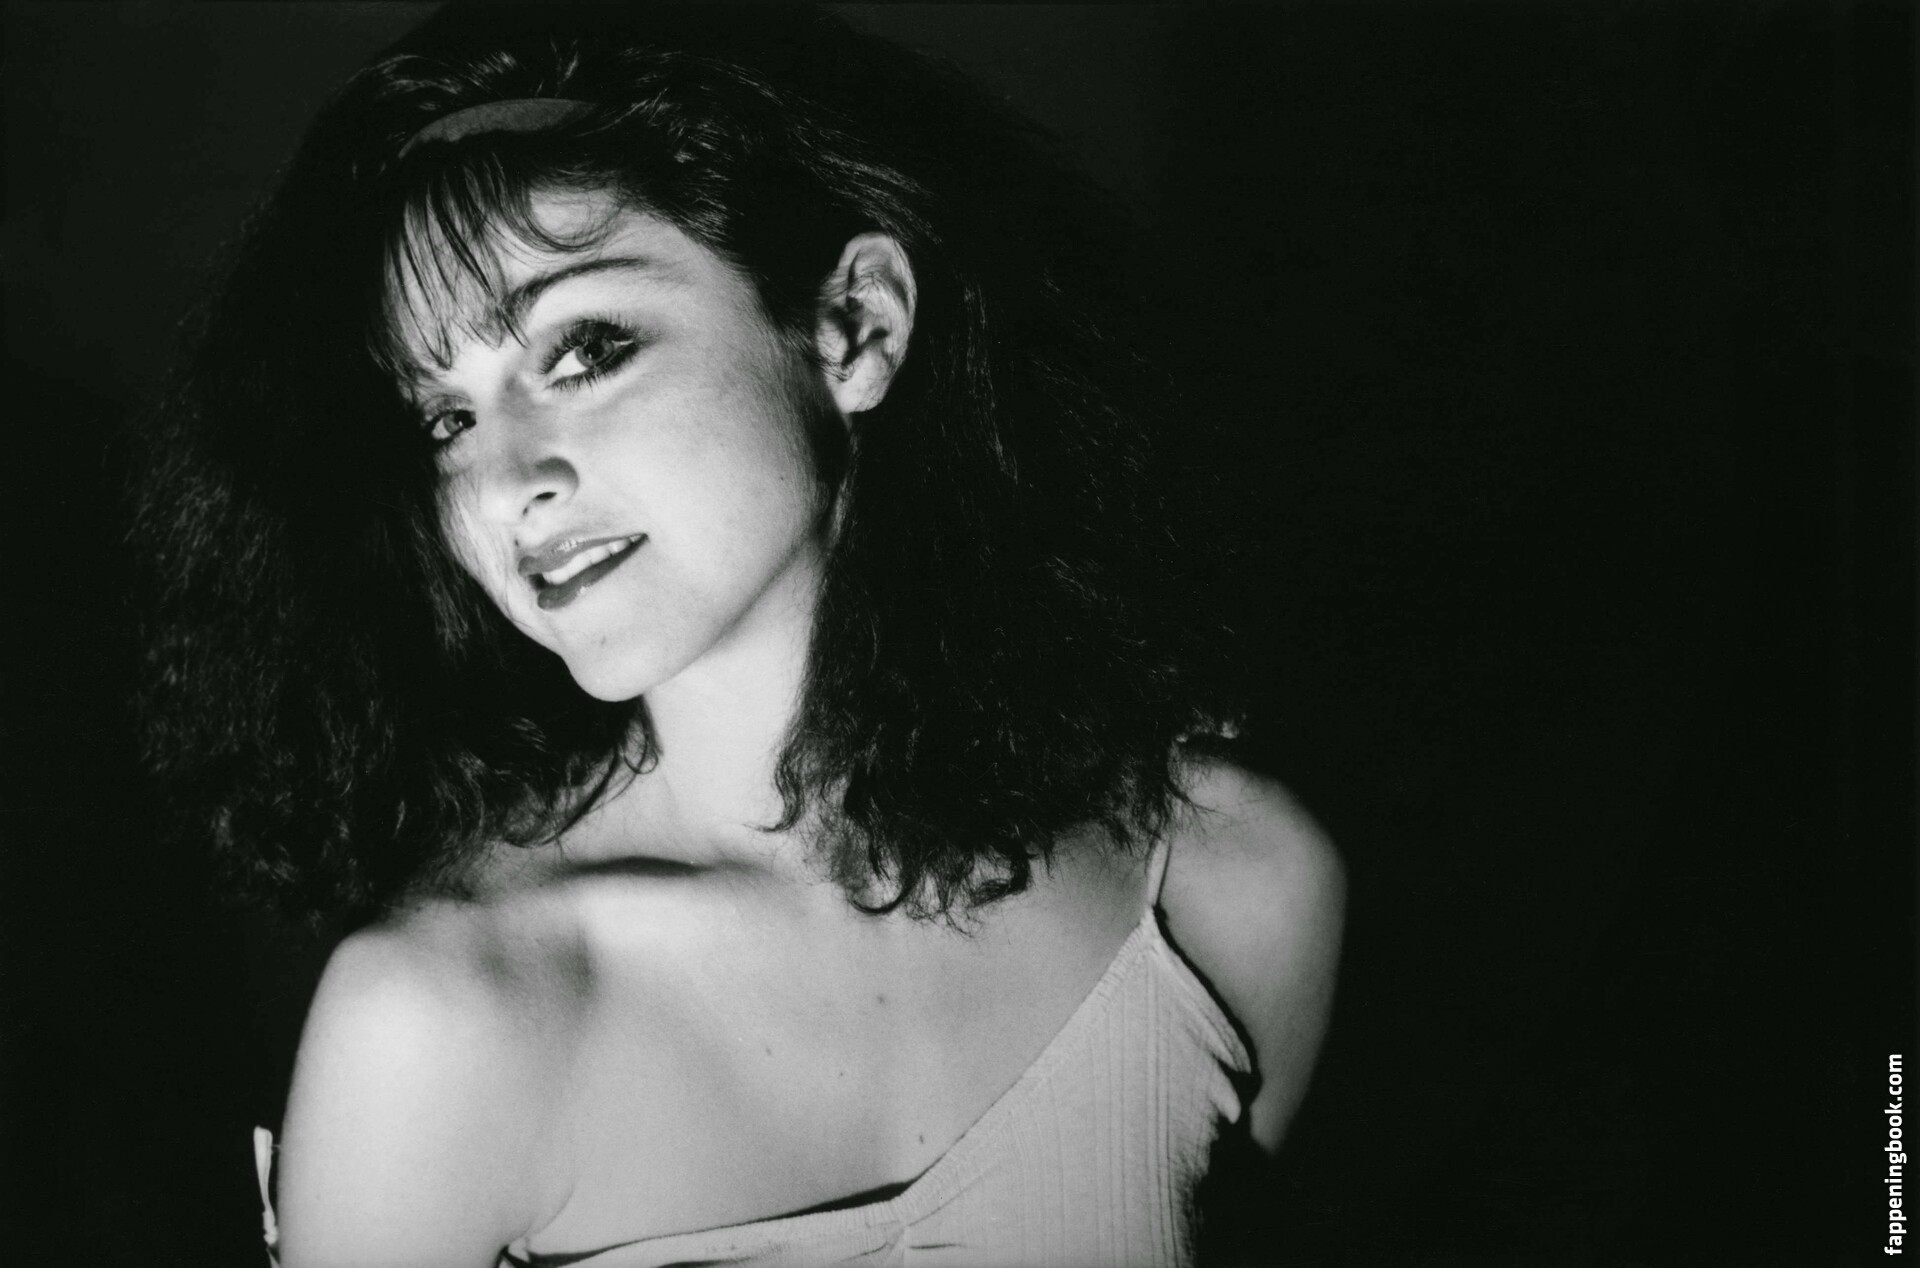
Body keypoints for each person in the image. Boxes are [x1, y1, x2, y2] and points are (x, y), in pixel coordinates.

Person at [134, 6, 1344, 1265]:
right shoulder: (442, 1022)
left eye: (585, 350)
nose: (503, 484)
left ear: (856, 326)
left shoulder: (1225, 890)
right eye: (447, 418)